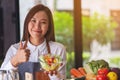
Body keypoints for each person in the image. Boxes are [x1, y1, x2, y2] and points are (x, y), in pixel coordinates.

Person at [0, 4, 66, 80]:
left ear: (48, 27)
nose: (37, 26)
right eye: (33, 20)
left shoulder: (58, 49)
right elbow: (1, 77)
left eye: (43, 22)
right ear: (27, 23)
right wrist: (15, 60)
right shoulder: (14, 49)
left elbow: (62, 78)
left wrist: (55, 75)